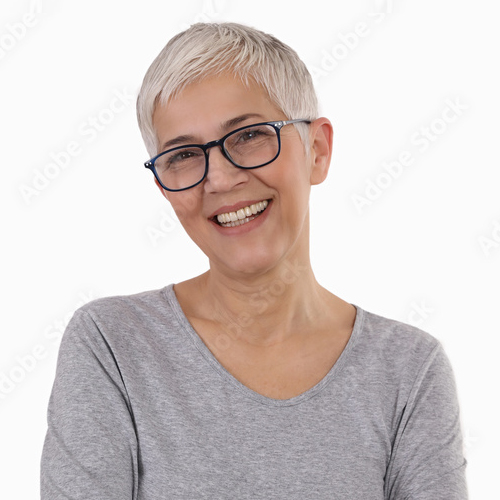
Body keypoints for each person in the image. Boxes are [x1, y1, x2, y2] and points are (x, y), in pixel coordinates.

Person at [40, 22, 468, 499]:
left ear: (318, 150)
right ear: (163, 187)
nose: (219, 179)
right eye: (183, 154)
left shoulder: (409, 371)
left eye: (247, 136)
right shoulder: (113, 347)